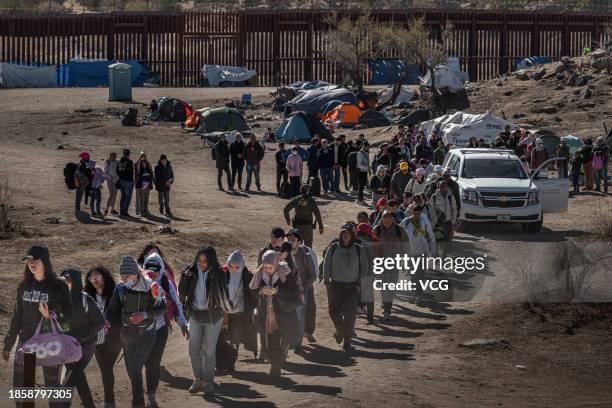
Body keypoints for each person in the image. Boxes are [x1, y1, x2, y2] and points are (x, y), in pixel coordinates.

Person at [3, 245, 73, 408]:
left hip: (50, 345)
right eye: (28, 261)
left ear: (45, 262)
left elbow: (70, 317)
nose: (31, 263)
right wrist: (8, 343)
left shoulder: (58, 286)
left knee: (52, 388)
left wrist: (51, 316)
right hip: (28, 343)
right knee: (23, 388)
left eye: (35, 260)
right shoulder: (23, 287)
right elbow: (17, 317)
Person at [105, 256, 166, 408]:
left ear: (136, 274)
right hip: (127, 334)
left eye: (127, 276)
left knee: (135, 367)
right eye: (121, 276)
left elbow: (162, 307)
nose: (124, 279)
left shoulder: (151, 287)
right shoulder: (120, 288)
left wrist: (144, 315)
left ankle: (137, 402)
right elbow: (112, 309)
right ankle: (138, 397)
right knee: (132, 370)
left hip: (147, 333)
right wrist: (105, 321)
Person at [178, 247, 230, 397]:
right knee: (193, 348)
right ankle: (198, 378)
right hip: (195, 315)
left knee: (209, 350)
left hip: (213, 317)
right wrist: (185, 277)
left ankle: (208, 381)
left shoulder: (219, 274)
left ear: (211, 261)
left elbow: (224, 296)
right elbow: (182, 292)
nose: (201, 264)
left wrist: (226, 316)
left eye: (204, 261)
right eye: (199, 260)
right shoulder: (191, 271)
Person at [249, 250, 301, 380]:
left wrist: (277, 291)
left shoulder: (286, 273)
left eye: (270, 267)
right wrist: (262, 291)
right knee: (271, 341)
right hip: (267, 313)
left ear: (276, 264)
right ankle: (275, 367)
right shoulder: (259, 273)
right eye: (265, 267)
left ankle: (276, 367)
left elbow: (294, 292)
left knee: (281, 340)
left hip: (284, 313)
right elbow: (252, 291)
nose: (267, 270)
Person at [59, 268, 105, 408]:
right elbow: (60, 322)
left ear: (76, 282)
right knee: (78, 378)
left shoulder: (85, 298)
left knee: (71, 377)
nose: (65, 283)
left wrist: (79, 335)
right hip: (67, 346)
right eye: (63, 280)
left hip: (86, 344)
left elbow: (100, 322)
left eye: (68, 280)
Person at [323, 226, 369, 349]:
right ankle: (339, 329)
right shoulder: (333, 248)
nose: (345, 235)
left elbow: (364, 268)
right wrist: (327, 281)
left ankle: (347, 341)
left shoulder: (358, 249)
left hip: (352, 287)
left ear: (352, 235)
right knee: (333, 311)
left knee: (350, 315)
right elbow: (327, 264)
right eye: (343, 233)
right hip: (335, 285)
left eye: (348, 233)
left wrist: (360, 284)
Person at [84, 266, 121, 408]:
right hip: (96, 339)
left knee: (107, 367)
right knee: (105, 369)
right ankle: (109, 402)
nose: (94, 278)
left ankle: (110, 402)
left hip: (114, 338)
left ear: (104, 277)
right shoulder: (86, 295)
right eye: (91, 276)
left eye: (97, 275)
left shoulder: (115, 293)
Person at [373, 211, 410, 320]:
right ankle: (386, 303)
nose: (387, 224)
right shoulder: (377, 230)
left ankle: (387, 310)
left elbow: (406, 246)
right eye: (384, 222)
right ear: (381, 221)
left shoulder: (400, 230)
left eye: (389, 222)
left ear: (392, 220)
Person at [221, 251, 258, 358]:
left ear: (241, 265)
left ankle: (233, 356)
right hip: (225, 312)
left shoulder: (248, 276)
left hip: (240, 312)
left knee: (236, 335)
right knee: (224, 336)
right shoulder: (223, 275)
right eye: (230, 266)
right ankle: (225, 357)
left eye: (237, 267)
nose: (233, 269)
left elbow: (253, 294)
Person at [286, 229, 318, 349]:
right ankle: (289, 340)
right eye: (288, 239)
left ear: (299, 242)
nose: (290, 242)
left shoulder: (306, 255)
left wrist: (304, 289)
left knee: (302, 315)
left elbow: (313, 274)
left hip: (303, 289)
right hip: (287, 291)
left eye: (293, 240)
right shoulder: (283, 254)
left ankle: (299, 341)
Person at [402, 205, 437, 305]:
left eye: (419, 213)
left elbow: (430, 236)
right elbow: (399, 233)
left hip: (422, 252)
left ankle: (419, 295)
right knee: (413, 275)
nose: (417, 215)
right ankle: (415, 294)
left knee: (420, 274)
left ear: (421, 213)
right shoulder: (406, 222)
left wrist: (433, 252)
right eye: (415, 213)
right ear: (412, 212)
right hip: (410, 252)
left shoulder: (425, 222)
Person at [354, 222, 377, 323]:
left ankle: (364, 313)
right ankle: (370, 317)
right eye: (360, 234)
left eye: (362, 234)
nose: (361, 236)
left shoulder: (357, 243)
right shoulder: (372, 242)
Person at [134, 151, 154, 217]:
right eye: (142, 155)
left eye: (144, 155)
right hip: (139, 183)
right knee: (139, 198)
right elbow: (136, 174)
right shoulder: (136, 163)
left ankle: (145, 209)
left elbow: (151, 173)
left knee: (146, 198)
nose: (143, 156)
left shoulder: (148, 163)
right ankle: (139, 210)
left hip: (147, 183)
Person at [118, 149, 135, 217]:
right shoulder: (130, 162)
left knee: (123, 197)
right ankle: (124, 212)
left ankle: (121, 212)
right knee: (128, 198)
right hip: (128, 181)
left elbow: (117, 171)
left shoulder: (119, 161)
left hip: (121, 180)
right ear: (129, 154)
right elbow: (131, 172)